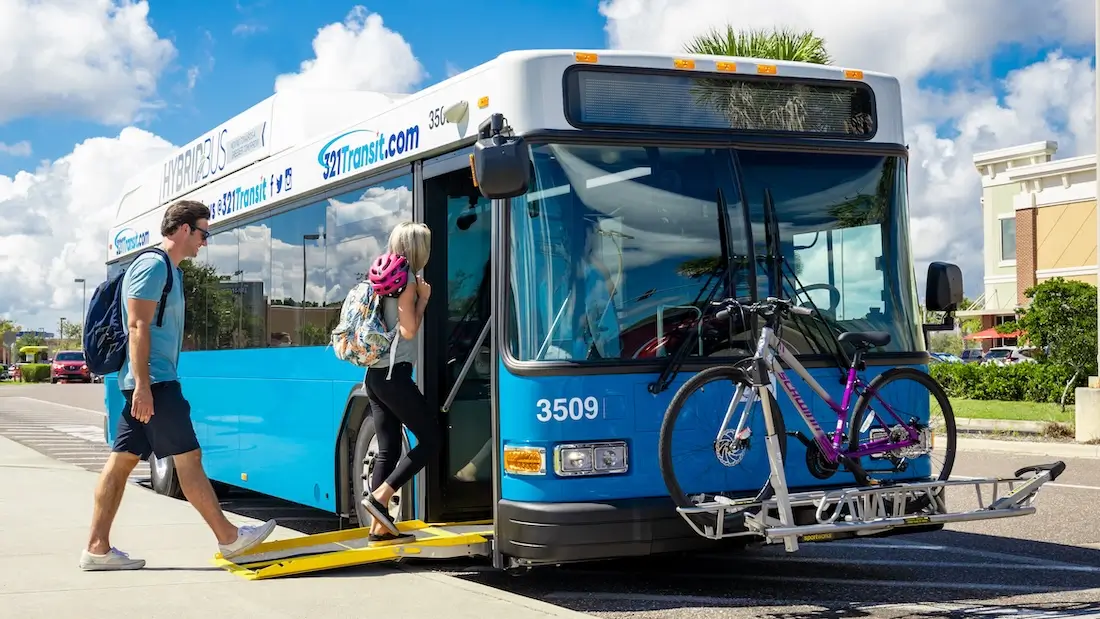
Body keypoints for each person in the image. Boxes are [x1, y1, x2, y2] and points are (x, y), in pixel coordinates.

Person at [79, 200, 276, 571]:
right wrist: (143, 386)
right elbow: (137, 327)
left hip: (148, 382)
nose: (206, 241)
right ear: (184, 229)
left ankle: (97, 548)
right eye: (204, 232)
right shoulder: (154, 266)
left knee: (120, 465)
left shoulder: (169, 269)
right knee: (189, 459)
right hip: (154, 383)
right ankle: (230, 538)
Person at [359, 221, 439, 545]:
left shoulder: (380, 276)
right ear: (419, 248)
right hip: (394, 377)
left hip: (374, 376)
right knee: (431, 440)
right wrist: (423, 299)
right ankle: (380, 498)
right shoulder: (405, 280)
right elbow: (408, 330)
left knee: (388, 450)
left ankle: (378, 528)